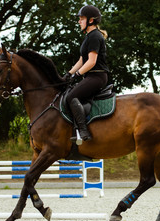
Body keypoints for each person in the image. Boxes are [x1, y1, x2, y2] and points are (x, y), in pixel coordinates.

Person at [64, 5, 109, 142]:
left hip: (97, 76)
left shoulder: (94, 36)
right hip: (91, 76)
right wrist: (68, 74)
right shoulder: (88, 37)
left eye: (82, 19)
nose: (79, 21)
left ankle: (83, 131)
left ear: (90, 21)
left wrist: (76, 75)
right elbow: (82, 60)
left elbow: (91, 62)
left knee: (71, 97)